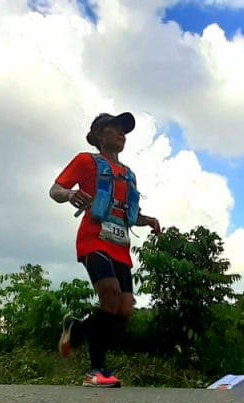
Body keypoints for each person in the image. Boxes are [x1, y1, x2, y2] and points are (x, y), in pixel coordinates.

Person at [49, 111, 161, 387]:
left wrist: (148, 221)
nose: (122, 134)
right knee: (109, 295)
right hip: (93, 240)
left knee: (123, 309)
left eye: (124, 131)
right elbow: (56, 189)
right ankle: (95, 371)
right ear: (99, 135)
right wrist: (70, 194)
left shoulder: (128, 174)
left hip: (120, 246)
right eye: (115, 128)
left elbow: (128, 213)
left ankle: (76, 331)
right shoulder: (86, 161)